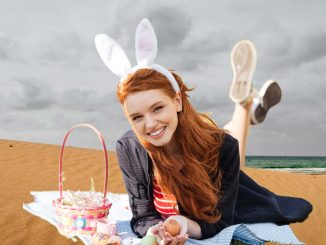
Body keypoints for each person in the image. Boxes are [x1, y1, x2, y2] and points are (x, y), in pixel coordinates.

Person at [95, 19, 312, 244]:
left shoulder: (223, 148)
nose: (149, 124)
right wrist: (157, 231)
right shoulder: (129, 148)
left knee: (223, 141)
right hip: (201, 142)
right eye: (137, 117)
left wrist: (184, 224)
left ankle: (244, 105)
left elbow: (219, 221)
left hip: (225, 176)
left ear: (177, 101)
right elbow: (142, 217)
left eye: (158, 108)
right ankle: (248, 105)